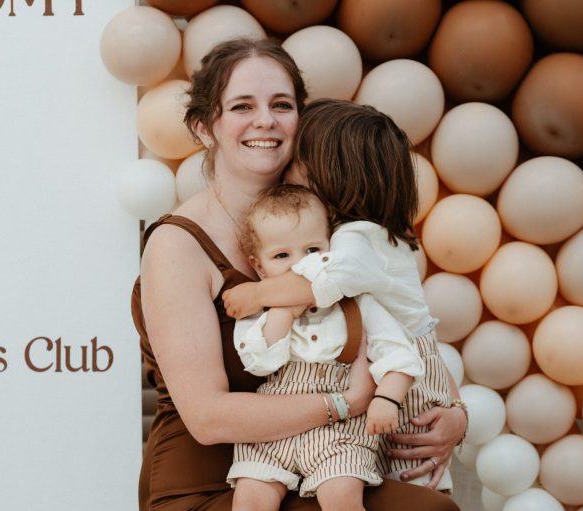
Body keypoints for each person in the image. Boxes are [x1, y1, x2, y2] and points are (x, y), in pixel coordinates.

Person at [132, 37, 464, 511]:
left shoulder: (335, 222)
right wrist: (346, 403)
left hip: (326, 462)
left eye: (281, 105)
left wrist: (455, 417)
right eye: (242, 106)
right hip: (217, 478)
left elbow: (405, 324)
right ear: (205, 128)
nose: (265, 120)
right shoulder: (178, 244)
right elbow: (206, 418)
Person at [223, 98, 465, 490]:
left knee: (408, 472)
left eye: (298, 160)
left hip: (404, 379)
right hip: (397, 360)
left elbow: (325, 283)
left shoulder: (358, 237)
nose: (287, 168)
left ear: (328, 175)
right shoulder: (370, 234)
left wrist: (259, 293)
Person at [228, 184, 426, 510]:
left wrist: (387, 398)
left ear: (331, 249)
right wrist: (285, 310)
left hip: (339, 434)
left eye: (312, 250)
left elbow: (398, 355)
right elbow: (260, 362)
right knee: (249, 500)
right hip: (276, 425)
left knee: (341, 497)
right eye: (281, 256)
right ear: (259, 266)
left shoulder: (357, 303)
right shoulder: (258, 311)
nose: (299, 265)